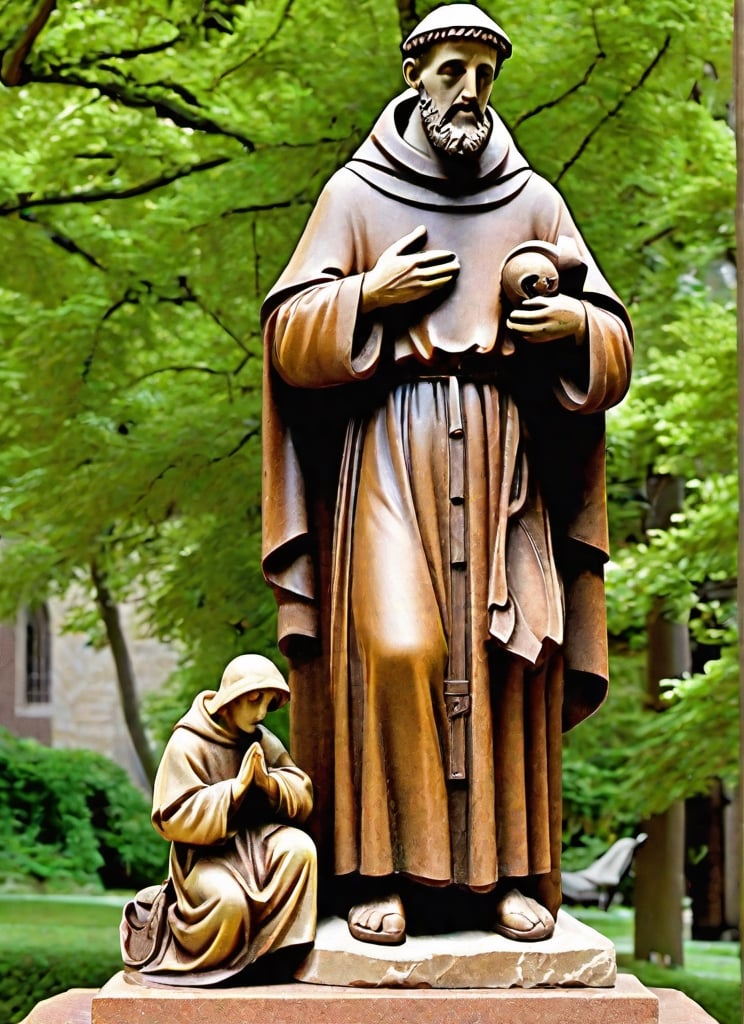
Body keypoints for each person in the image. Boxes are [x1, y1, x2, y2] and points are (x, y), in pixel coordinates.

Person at [261, 3, 632, 946]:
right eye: (451, 71)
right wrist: (365, 296)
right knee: (399, 648)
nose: (468, 91)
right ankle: (379, 869)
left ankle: (505, 878)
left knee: (507, 656)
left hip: (503, 445)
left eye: (483, 74)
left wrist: (575, 331)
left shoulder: (535, 200)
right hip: (390, 444)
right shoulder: (355, 195)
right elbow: (285, 338)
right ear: (415, 75)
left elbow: (614, 342)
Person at [120, 655, 317, 984]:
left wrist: (269, 785)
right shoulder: (188, 742)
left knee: (300, 849)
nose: (260, 714)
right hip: (204, 859)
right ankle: (216, 968)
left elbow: (301, 791)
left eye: (267, 704)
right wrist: (233, 792)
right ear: (232, 697)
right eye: (254, 701)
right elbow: (172, 817)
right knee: (228, 902)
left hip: (254, 844)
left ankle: (277, 956)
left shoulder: (259, 738)